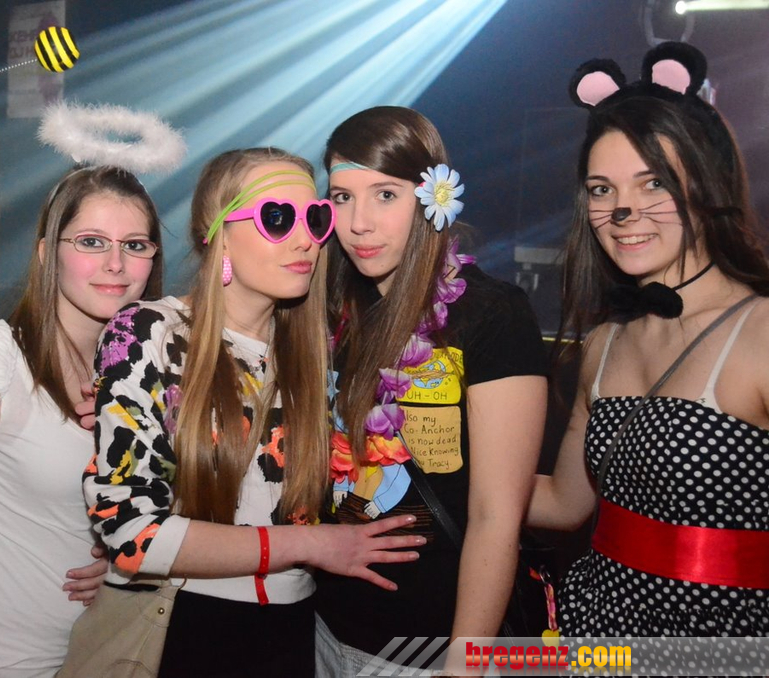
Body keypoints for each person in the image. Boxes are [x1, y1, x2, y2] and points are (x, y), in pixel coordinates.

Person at [82, 147, 425, 677]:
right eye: (277, 218)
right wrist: (310, 544)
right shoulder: (149, 333)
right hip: (182, 632)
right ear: (218, 233)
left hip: (294, 638)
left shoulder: (320, 354)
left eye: (315, 218)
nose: (305, 239)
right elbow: (129, 531)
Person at [528, 42, 769, 637]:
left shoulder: (759, 333)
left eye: (653, 182)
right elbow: (564, 503)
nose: (623, 210)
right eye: (601, 189)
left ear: (705, 184)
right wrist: (433, 462)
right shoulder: (605, 344)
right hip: (593, 640)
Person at [313, 106, 548, 675]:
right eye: (342, 197)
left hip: (427, 648)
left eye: (385, 195)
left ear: (431, 197)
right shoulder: (335, 308)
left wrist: (464, 665)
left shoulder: (490, 314)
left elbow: (496, 515)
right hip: (323, 629)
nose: (359, 223)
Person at [0, 165, 163, 676]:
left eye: (134, 245)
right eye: (92, 242)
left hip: (98, 652)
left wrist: (127, 559)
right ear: (48, 253)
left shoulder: (154, 369)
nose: (115, 264)